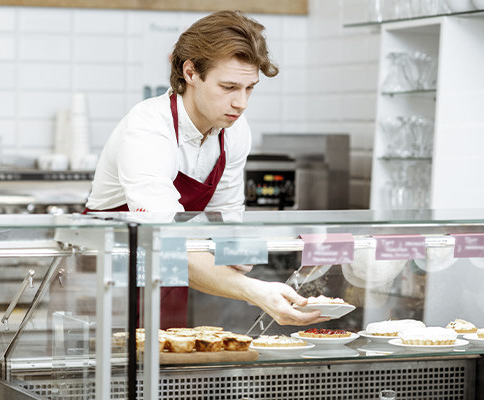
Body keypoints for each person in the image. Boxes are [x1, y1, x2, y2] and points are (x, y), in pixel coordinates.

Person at [84, 10, 326, 328]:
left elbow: (225, 216)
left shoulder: (235, 131)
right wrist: (256, 292)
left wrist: (242, 253)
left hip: (174, 269)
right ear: (191, 73)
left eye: (249, 88)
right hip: (111, 272)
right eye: (228, 87)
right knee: (114, 369)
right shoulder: (147, 128)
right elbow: (161, 238)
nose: (242, 103)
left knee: (166, 363)